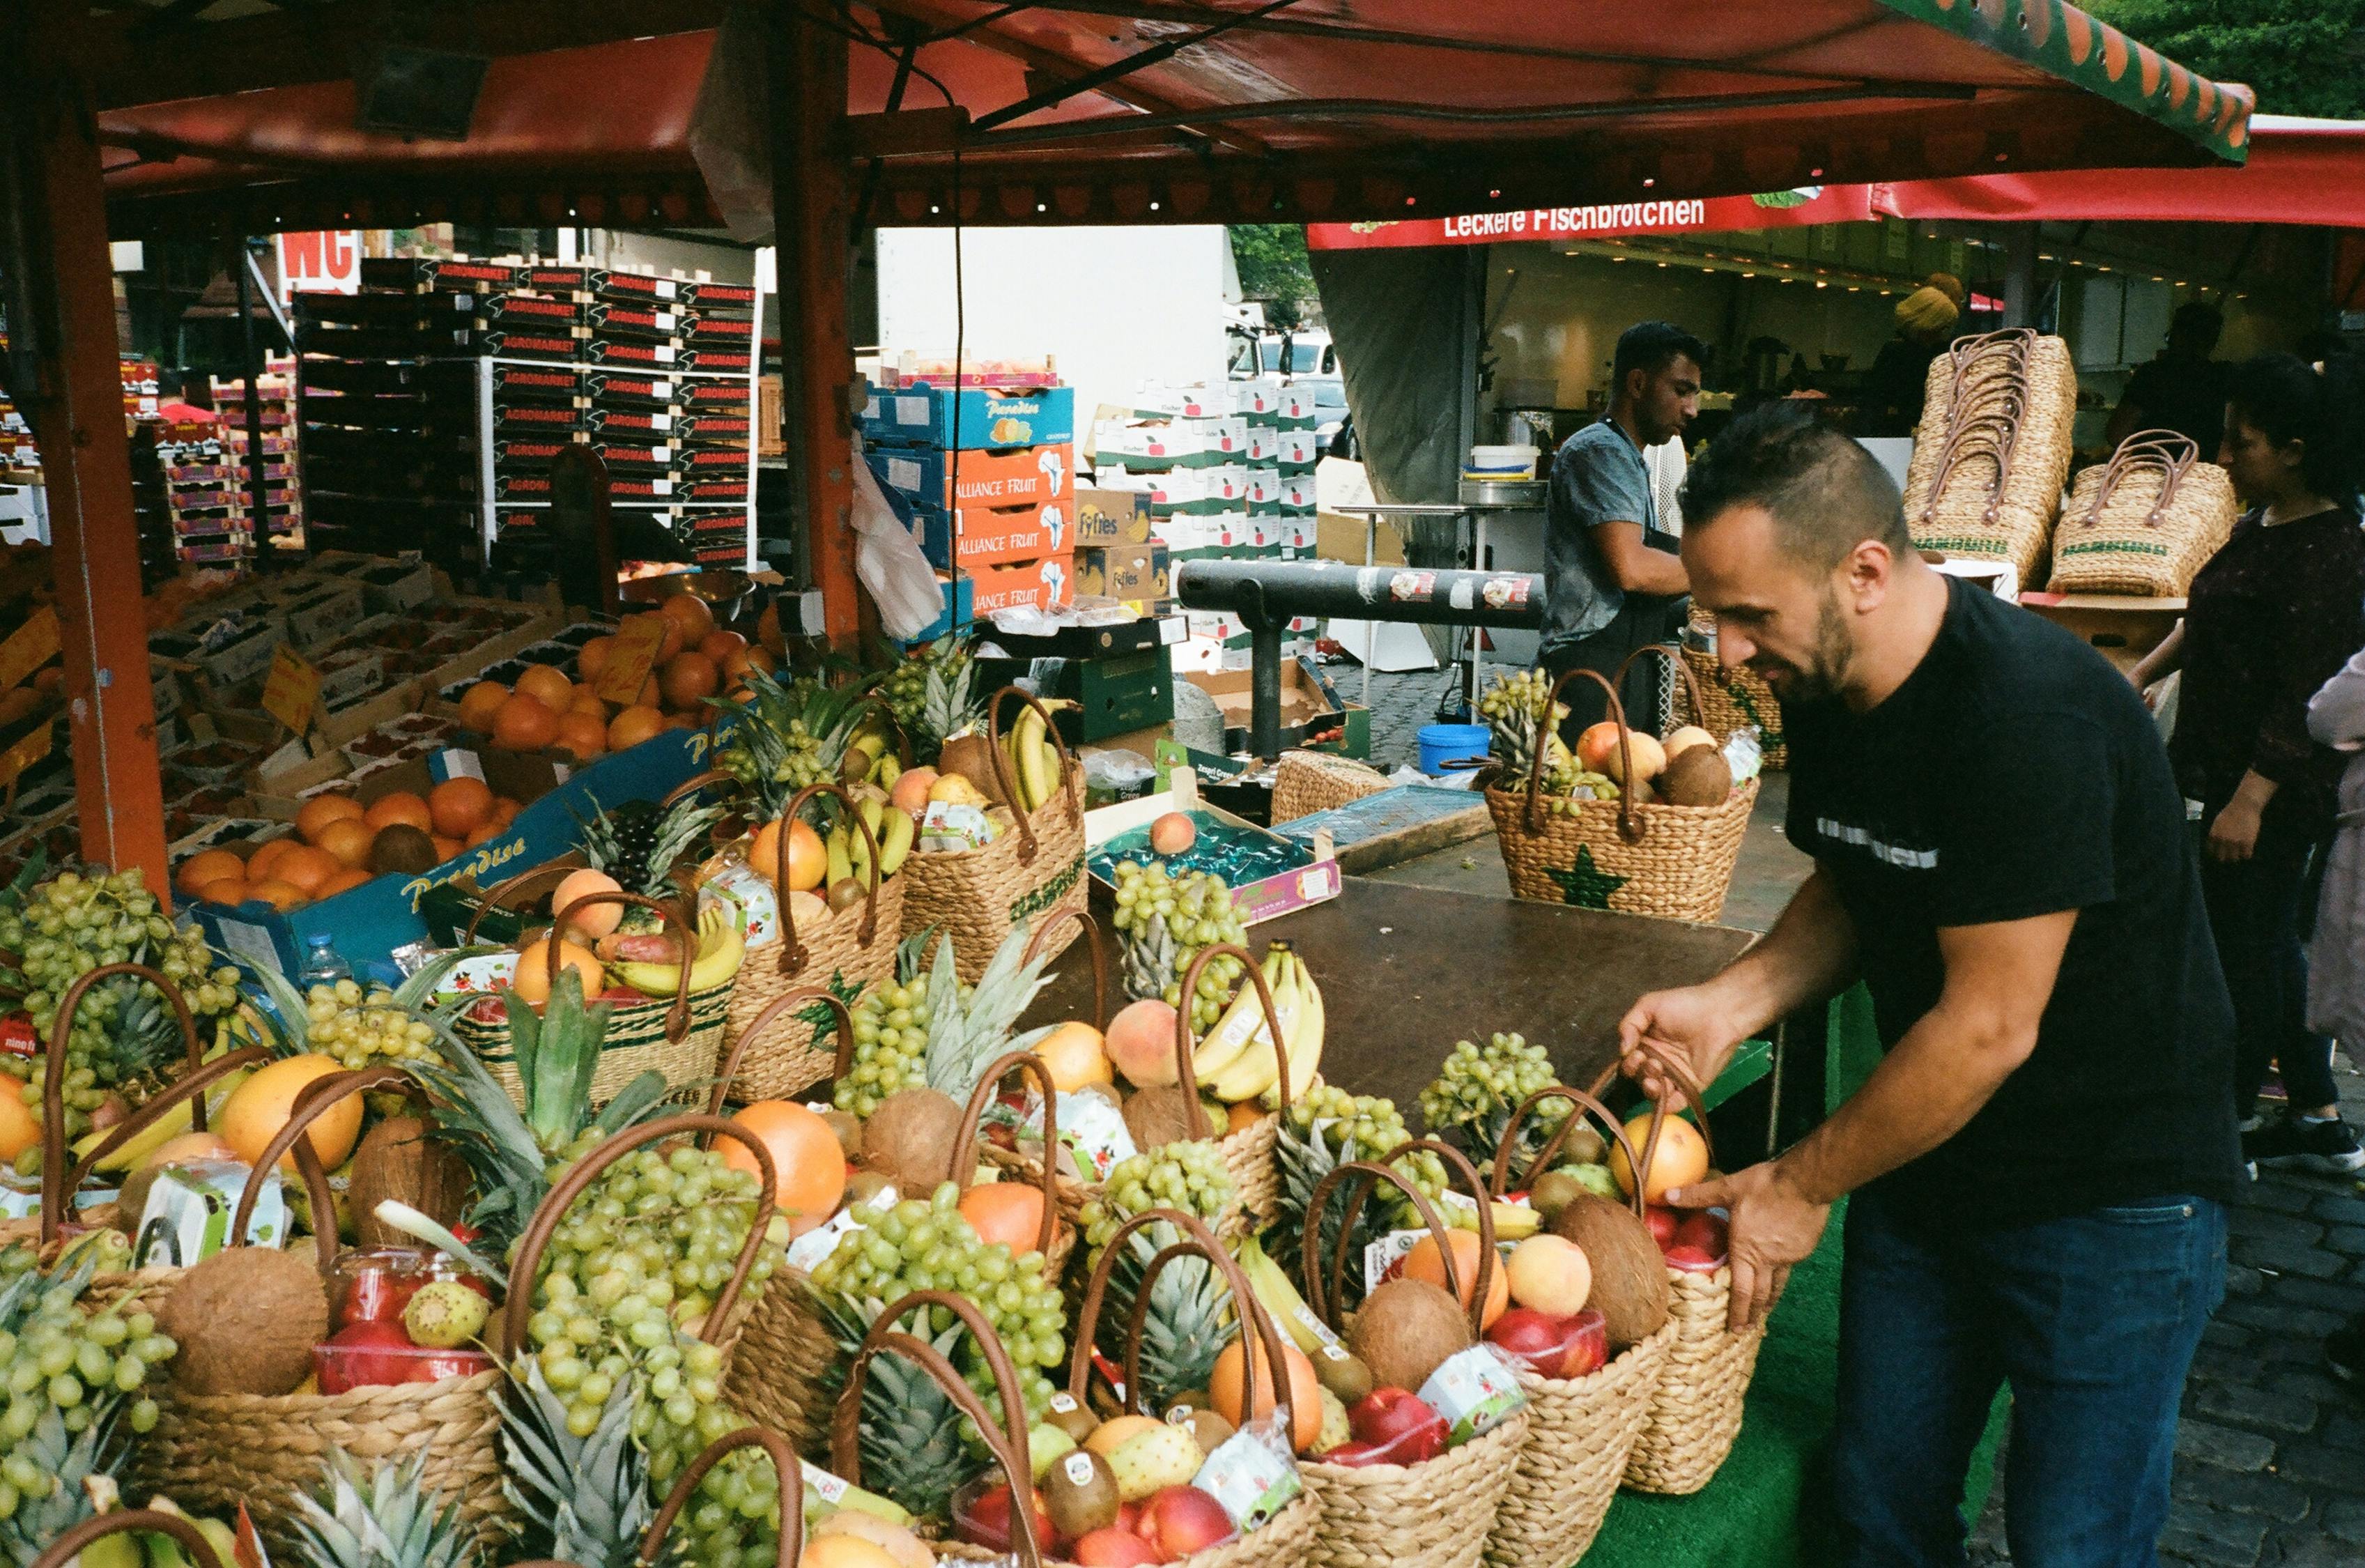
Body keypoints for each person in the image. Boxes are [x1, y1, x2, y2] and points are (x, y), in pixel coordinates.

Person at [1619, 402, 2238, 1565]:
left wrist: (1797, 1184)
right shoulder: (1831, 686)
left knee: (2074, 1543)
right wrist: (1732, 1000)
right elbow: (1858, 878)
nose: (1726, 652)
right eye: (1712, 617)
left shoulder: (2024, 716)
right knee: (1877, 1507)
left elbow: (1985, 1028)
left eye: (1748, 616)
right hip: (1927, 1170)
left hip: (2110, 1196)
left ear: (1862, 570)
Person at [2126, 353, 2365, 1174]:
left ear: (2295, 449)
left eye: (2244, 441)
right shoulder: (2257, 526)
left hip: (2270, 785)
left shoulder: (2333, 548)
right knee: (2263, 939)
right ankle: (2317, 1116)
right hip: (2220, 764)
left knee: (2243, 947)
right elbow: (2210, 615)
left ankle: (2223, 1125)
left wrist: (2251, 798)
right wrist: (2145, 672)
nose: (2225, 456)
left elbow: (2308, 690)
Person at [1540, 321, 1702, 735]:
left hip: (1624, 663)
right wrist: (1716, 571)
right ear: (1637, 383)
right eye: (1681, 390)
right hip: (1590, 673)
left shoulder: (1628, 456)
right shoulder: (1600, 452)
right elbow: (1630, 567)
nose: (1692, 409)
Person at [2104, 302, 2231, 455]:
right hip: (2200, 474)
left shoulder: (2153, 375)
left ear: (2179, 336)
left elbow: (2116, 433)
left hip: (2153, 471)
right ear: (2212, 343)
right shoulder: (2220, 379)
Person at [1865, 273, 1964, 436]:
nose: (1944, 334)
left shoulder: (1937, 351)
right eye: (1942, 328)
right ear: (1928, 325)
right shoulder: (1897, 354)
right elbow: (1880, 406)